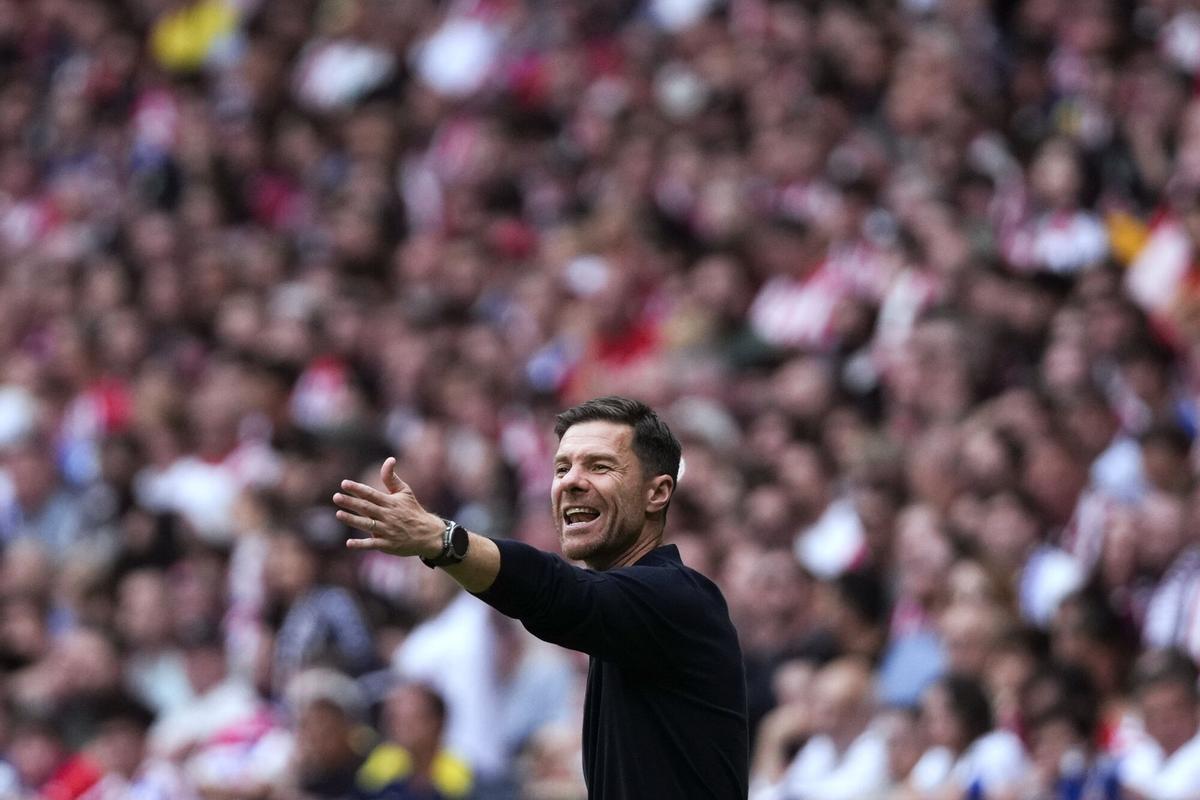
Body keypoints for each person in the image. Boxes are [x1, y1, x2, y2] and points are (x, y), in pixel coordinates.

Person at [334, 395, 749, 798]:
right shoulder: (624, 615)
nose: (570, 481)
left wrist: (443, 540)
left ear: (656, 493)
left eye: (600, 466)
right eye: (562, 468)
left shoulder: (678, 598)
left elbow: (557, 591)